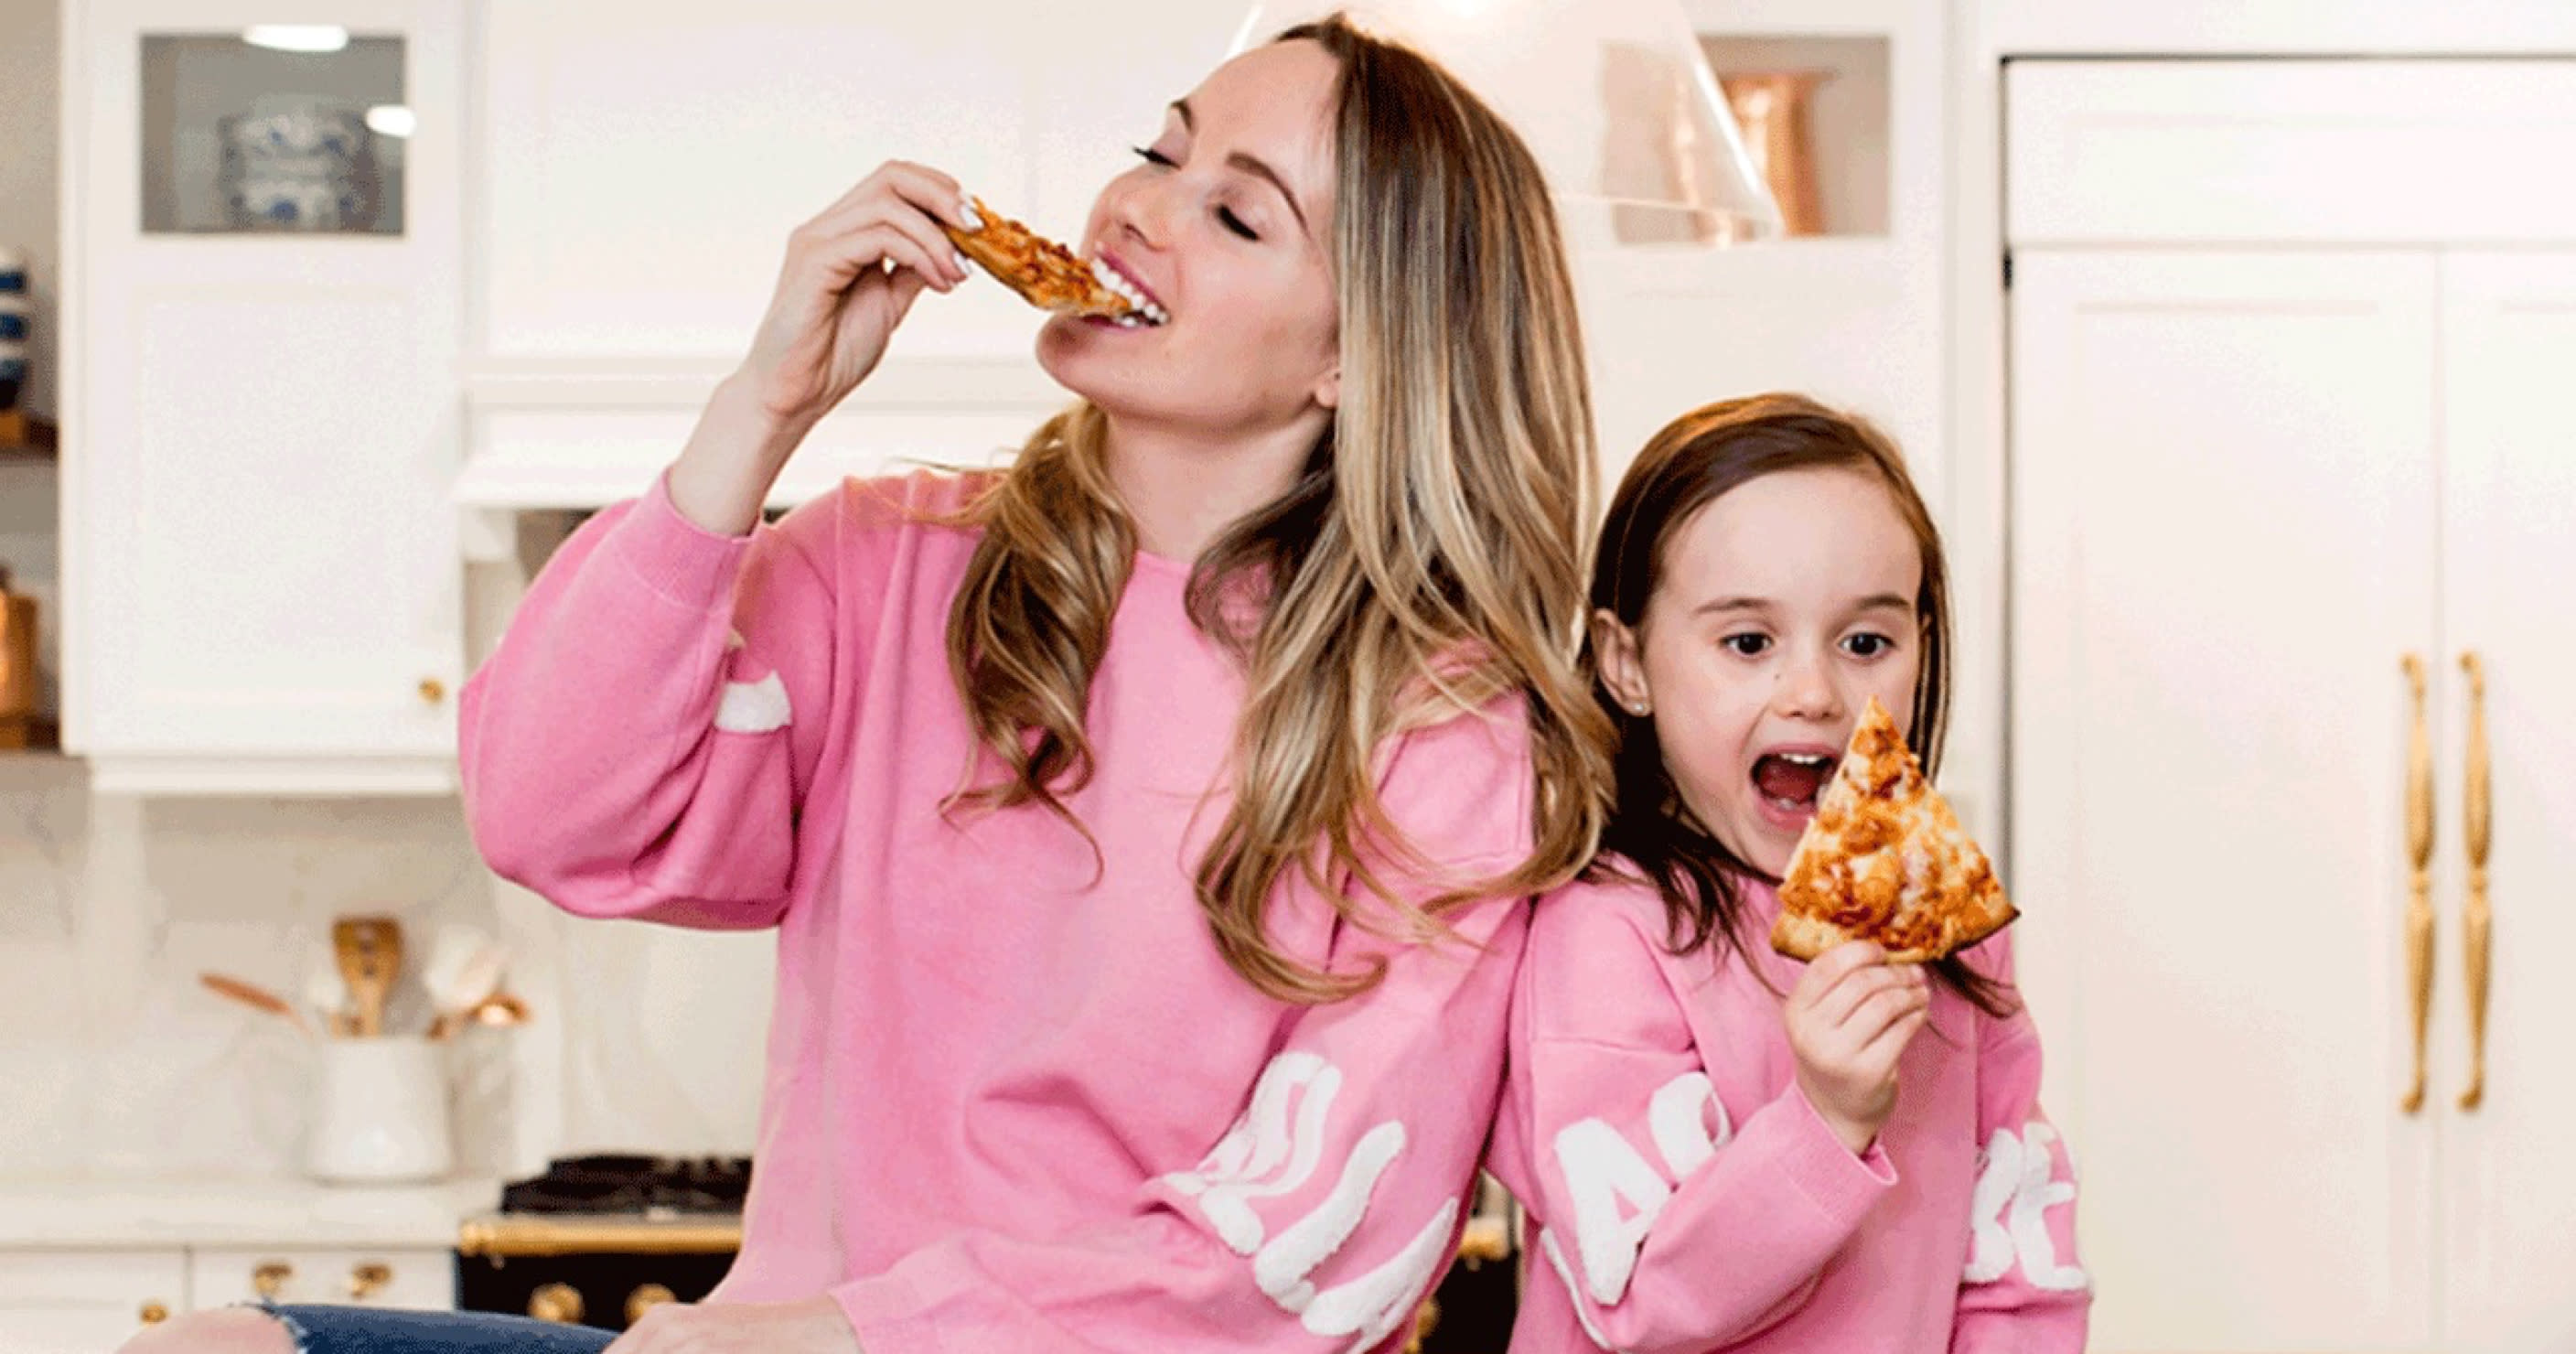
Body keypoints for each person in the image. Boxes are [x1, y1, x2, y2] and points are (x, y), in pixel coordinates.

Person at [124, 15, 1610, 1354]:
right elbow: (543, 815)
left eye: (1230, 212)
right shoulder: (891, 564)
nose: (1135, 210)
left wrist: (833, 1339)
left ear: (1359, 354)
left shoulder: (1450, 734)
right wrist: (760, 408)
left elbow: (1308, 1259)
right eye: (1155, 152)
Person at [1491, 393, 2089, 1353]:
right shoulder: (1600, 934)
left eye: (1865, 642)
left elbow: (2016, 1269)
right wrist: (1823, 1119)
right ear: (1625, 661)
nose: (1813, 691)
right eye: (1746, 642)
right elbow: (1635, 1298)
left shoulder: (1943, 936)